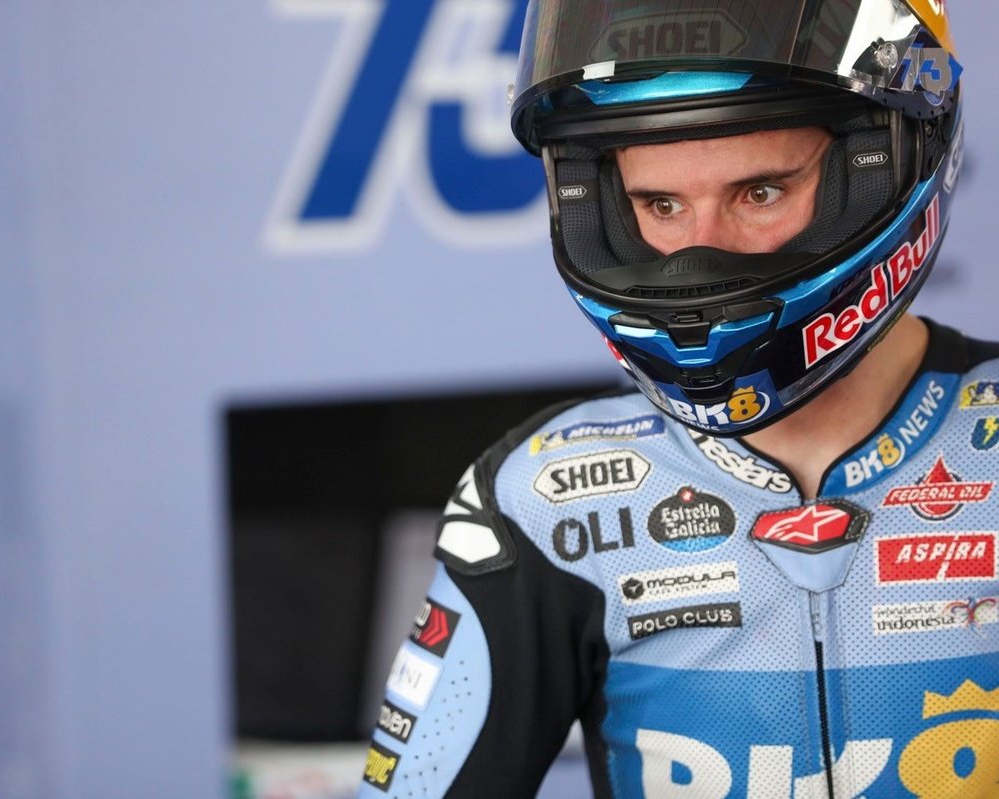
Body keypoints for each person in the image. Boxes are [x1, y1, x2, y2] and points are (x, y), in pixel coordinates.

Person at [360, 2, 998, 797]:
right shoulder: (545, 499)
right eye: (660, 205)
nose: (700, 258)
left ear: (884, 164)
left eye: (760, 191)